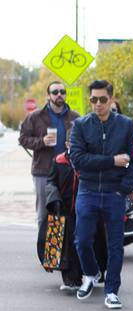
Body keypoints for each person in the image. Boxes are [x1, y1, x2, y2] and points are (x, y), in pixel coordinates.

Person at [69, 80, 133, 309]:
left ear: (111, 99)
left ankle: (112, 291)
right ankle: (90, 274)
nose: (98, 104)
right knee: (81, 241)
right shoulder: (81, 125)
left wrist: (124, 188)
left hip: (114, 193)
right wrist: (112, 161)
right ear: (89, 101)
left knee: (115, 245)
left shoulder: (126, 125)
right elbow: (78, 160)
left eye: (102, 99)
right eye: (93, 100)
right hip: (88, 191)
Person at [42, 140, 107, 292]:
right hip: (64, 209)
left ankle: (93, 273)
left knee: (91, 242)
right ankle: (71, 279)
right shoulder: (59, 161)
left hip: (88, 209)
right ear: (67, 144)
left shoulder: (89, 160)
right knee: (67, 245)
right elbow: (50, 182)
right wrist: (54, 198)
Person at [19, 81, 80, 234]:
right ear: (48, 96)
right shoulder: (35, 116)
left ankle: (65, 252)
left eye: (62, 91)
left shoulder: (75, 117)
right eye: (55, 92)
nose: (59, 94)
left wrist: (75, 145)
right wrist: (42, 141)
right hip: (43, 171)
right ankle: (45, 252)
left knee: (69, 212)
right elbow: (23, 139)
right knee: (44, 213)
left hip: (68, 171)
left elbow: (85, 140)